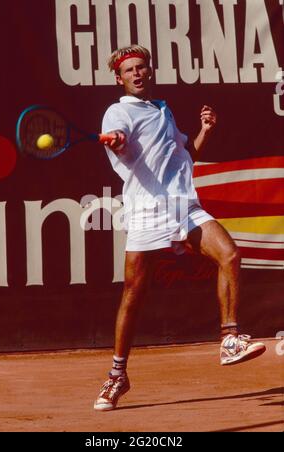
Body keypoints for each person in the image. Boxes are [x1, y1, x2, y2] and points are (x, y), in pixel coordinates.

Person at [94, 45, 266, 411]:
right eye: (130, 71)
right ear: (119, 79)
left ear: (150, 71)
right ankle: (117, 375)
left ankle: (229, 339)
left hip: (184, 207)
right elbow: (119, 138)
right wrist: (119, 140)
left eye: (142, 67)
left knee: (230, 255)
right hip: (146, 212)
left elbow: (187, 157)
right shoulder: (118, 112)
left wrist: (205, 131)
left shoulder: (163, 110)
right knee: (133, 297)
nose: (138, 74)